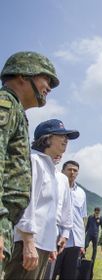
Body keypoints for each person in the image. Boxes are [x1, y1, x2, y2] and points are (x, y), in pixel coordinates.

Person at [0, 51, 59, 272]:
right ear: (23, 76)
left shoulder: (15, 110)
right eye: (46, 78)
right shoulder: (5, 104)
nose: (49, 87)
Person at [4, 119, 79, 280]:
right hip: (27, 243)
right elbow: (27, 204)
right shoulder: (34, 161)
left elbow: (52, 212)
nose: (66, 139)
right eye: (61, 135)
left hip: (42, 244)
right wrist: (29, 242)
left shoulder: (52, 170)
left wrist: (51, 243)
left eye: (67, 136)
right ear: (46, 138)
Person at [52, 160, 87, 280]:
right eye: (69, 169)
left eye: (75, 170)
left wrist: (82, 243)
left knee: (69, 276)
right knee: (50, 273)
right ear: (62, 171)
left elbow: (82, 218)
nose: (72, 172)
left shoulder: (81, 193)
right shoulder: (55, 187)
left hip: (75, 242)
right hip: (57, 240)